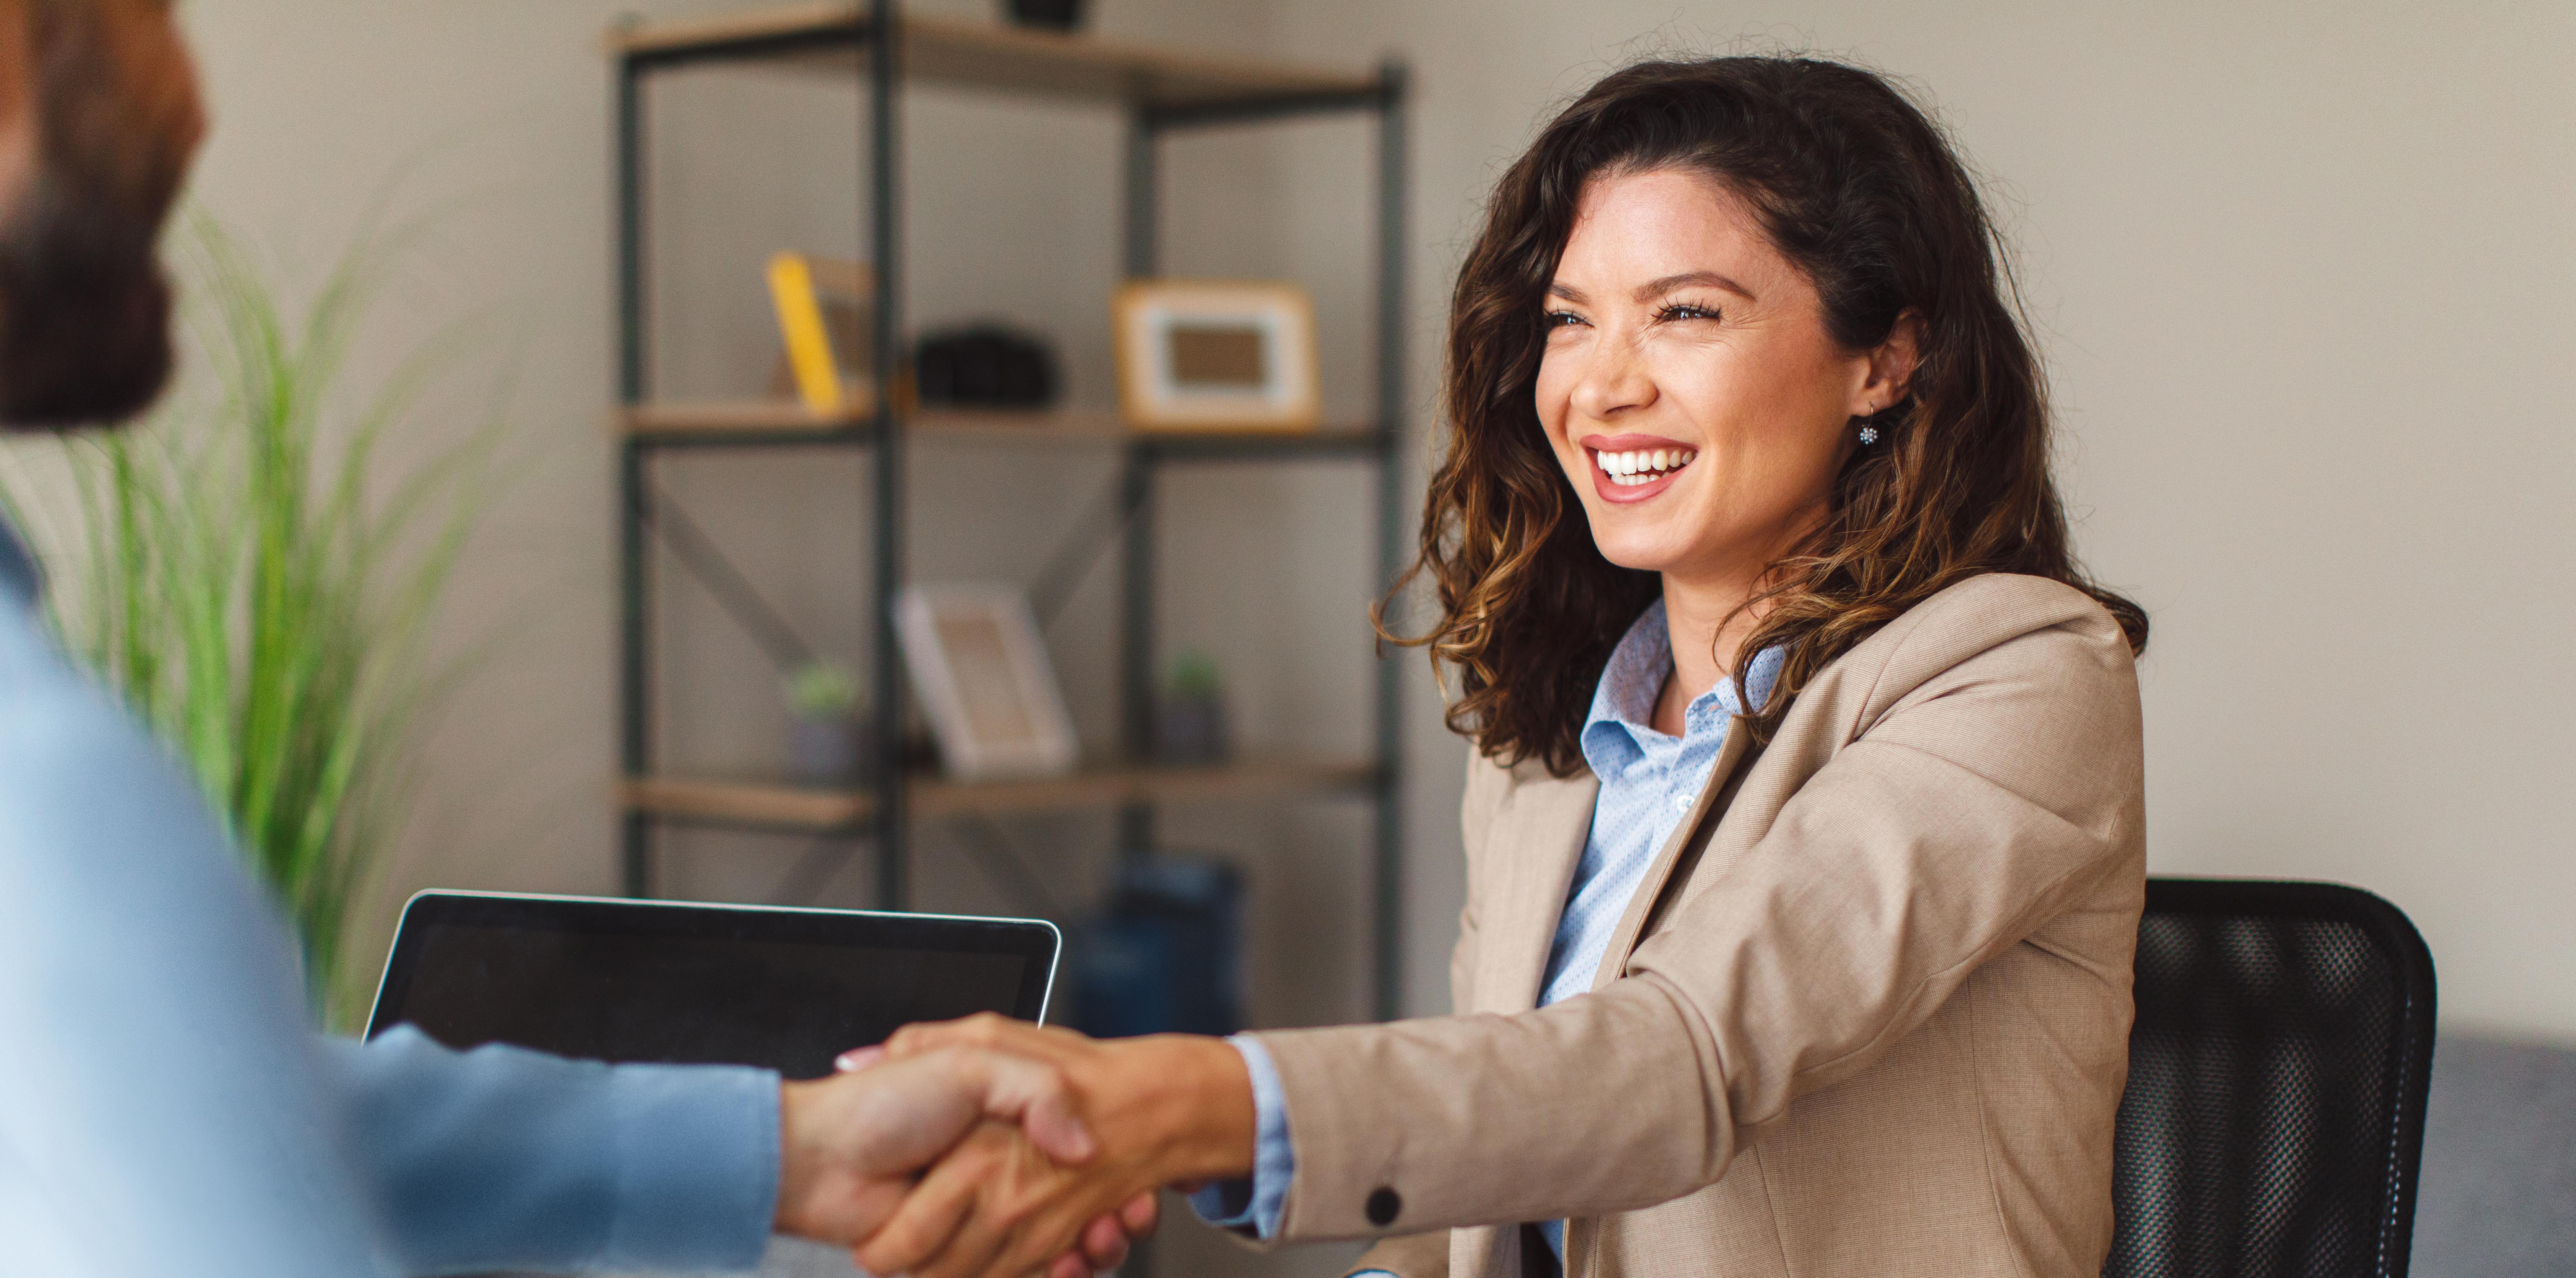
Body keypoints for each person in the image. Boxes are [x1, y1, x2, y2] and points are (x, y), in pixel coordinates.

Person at [839, 55, 2153, 1278]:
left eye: (1685, 313)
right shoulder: (1550, 738)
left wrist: (1173, 1108)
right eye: (1569, 322)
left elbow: (1681, 1059)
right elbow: (1493, 1174)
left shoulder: (2023, 676)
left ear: (1886, 359)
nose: (1602, 385)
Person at [0, 3, 1146, 1275]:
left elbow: (203, 1110)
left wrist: (794, 1147)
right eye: (141, 15)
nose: (194, 103)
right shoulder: (50, 798)